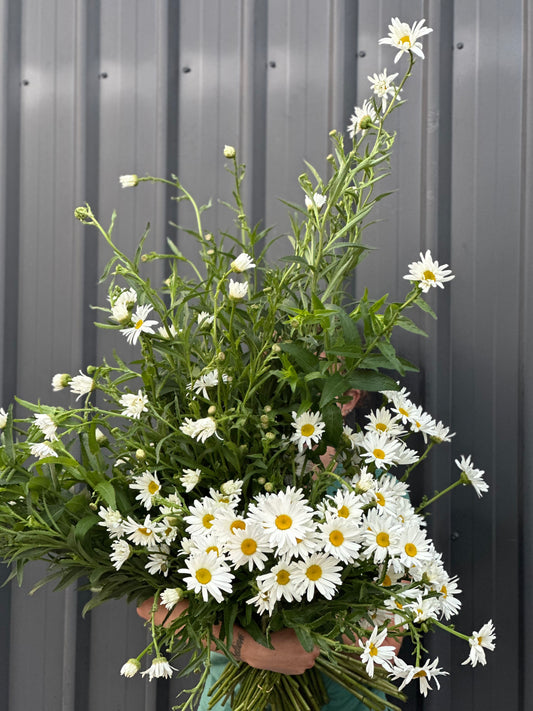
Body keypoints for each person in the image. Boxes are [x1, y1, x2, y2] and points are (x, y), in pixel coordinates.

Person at [137, 389, 400, 709]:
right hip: (235, 699)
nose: (294, 386)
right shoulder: (230, 464)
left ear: (348, 396)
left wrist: (316, 641)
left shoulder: (376, 487)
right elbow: (154, 604)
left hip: (345, 702)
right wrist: (252, 650)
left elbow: (396, 621)